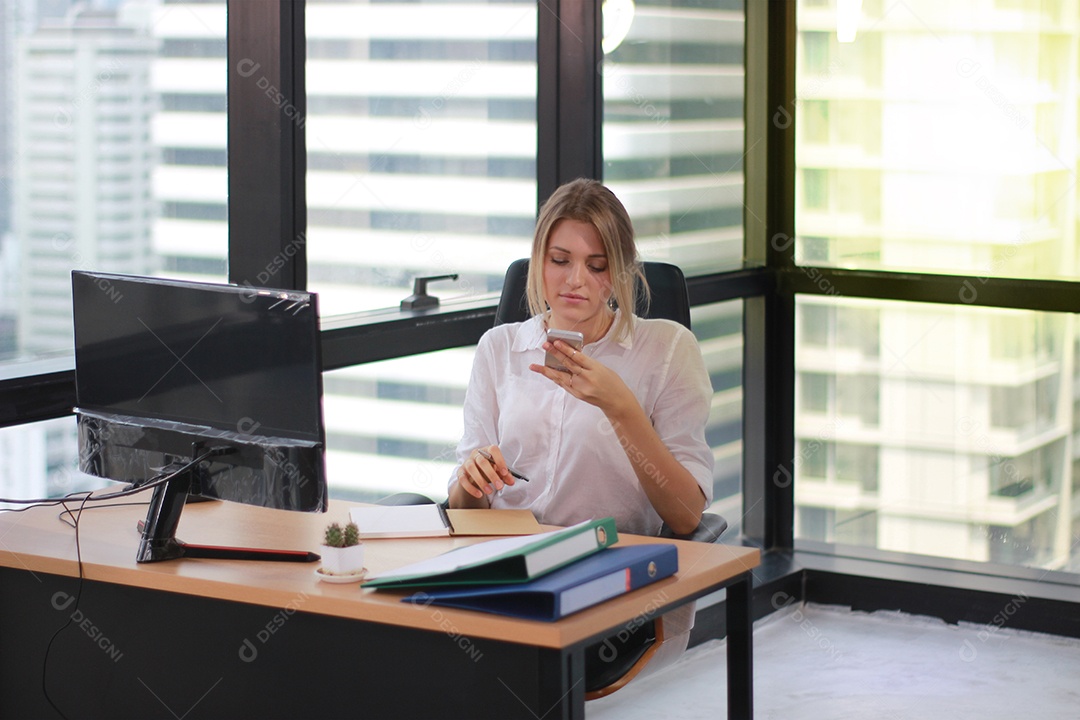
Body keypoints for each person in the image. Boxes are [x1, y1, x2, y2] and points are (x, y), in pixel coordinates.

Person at [448, 177, 714, 540]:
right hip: (505, 551)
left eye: (597, 266)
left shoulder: (668, 349)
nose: (575, 280)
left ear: (621, 269)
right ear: (540, 261)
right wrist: (470, 481)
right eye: (560, 260)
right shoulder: (498, 347)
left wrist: (621, 408)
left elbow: (685, 517)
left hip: (608, 556)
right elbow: (465, 509)